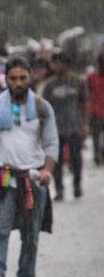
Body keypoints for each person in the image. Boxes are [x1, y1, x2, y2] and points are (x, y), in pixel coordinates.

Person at [0, 58, 58, 277]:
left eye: (22, 78)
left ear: (30, 77)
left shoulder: (42, 107)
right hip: (4, 176)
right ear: (6, 79)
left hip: (33, 177)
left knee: (31, 232)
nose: (18, 83)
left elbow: (51, 142)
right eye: (13, 79)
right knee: (0, 227)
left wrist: (47, 170)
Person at [43, 52, 90, 200]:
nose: (55, 66)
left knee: (76, 158)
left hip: (75, 125)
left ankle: (77, 185)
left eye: (58, 63)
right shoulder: (49, 85)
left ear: (66, 64)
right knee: (56, 160)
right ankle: (59, 189)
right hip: (56, 127)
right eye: (54, 63)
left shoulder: (78, 82)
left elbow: (85, 103)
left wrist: (85, 124)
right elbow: (44, 107)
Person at [88, 52, 104, 166]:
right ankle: (97, 155)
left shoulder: (92, 77)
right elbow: (87, 93)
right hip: (96, 112)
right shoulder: (92, 77)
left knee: (97, 136)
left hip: (97, 111)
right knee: (96, 136)